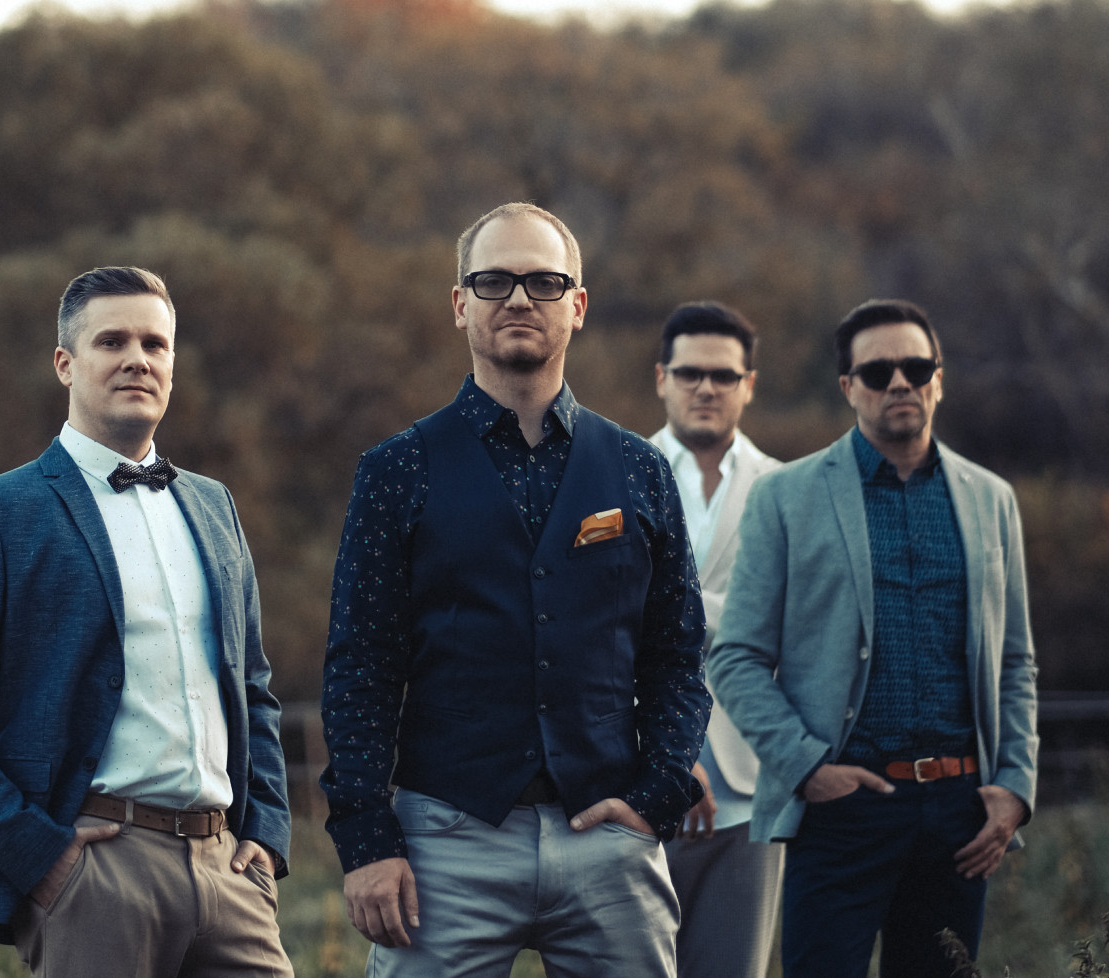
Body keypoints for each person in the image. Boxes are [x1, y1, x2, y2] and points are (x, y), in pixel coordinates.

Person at [321, 202, 710, 977]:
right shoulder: (396, 469)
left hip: (608, 841)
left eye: (543, 282)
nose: (519, 299)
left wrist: (657, 793)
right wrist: (366, 840)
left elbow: (676, 653)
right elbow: (360, 665)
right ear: (459, 303)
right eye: (493, 281)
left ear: (578, 304)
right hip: (443, 842)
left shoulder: (639, 470)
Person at [0, 266, 294, 977]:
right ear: (65, 363)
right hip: (95, 870)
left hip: (229, 871)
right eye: (112, 341)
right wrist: (36, 854)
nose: (138, 359)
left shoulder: (214, 506)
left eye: (155, 344)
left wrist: (265, 834)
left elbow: (252, 687)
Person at [707, 298, 1039, 977]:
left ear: (938, 378)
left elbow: (1014, 662)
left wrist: (1015, 785)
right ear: (847, 386)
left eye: (916, 367)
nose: (899, 383)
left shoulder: (991, 498)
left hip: (960, 809)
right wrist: (805, 767)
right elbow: (736, 656)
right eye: (879, 371)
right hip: (841, 810)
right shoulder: (785, 497)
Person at [649, 301, 784, 978]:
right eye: (690, 373)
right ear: (661, 378)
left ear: (748, 384)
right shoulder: (613, 472)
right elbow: (595, 625)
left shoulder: (785, 489)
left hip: (751, 788)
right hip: (634, 782)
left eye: (724, 375)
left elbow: (793, 624)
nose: (706, 387)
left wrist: (660, 605)